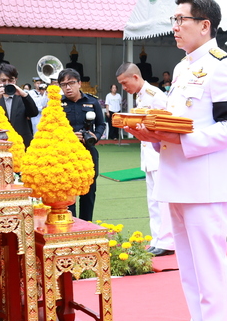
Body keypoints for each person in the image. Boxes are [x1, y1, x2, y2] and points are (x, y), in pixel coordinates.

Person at [130, 0, 227, 321]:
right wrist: (154, 132)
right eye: (174, 19)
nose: (175, 26)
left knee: (209, 268)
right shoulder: (183, 69)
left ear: (204, 25)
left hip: (207, 184)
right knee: (189, 271)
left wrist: (182, 140)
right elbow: (178, 122)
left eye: (181, 19)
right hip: (178, 179)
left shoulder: (222, 66)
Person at [115, 63, 174, 256]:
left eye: (125, 83)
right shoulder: (141, 96)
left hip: (159, 153)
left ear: (135, 77)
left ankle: (167, 241)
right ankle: (157, 238)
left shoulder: (155, 95)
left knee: (163, 200)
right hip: (149, 155)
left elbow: (165, 123)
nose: (124, 88)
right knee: (153, 201)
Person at [57, 68, 105, 222]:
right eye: (63, 84)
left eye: (71, 83)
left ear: (79, 83)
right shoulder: (57, 105)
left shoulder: (92, 101)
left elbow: (101, 124)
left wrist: (94, 136)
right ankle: (71, 225)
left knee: (89, 193)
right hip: (66, 154)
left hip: (88, 152)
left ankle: (87, 225)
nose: (68, 87)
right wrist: (69, 136)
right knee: (68, 193)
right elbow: (52, 128)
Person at [0, 64, 39, 149]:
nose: (7, 83)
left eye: (11, 80)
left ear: (15, 80)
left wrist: (23, 95)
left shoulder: (23, 97)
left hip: (22, 143)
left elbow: (34, 113)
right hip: (0, 144)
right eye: (3, 80)